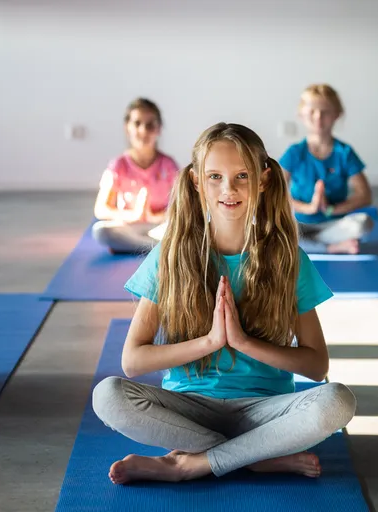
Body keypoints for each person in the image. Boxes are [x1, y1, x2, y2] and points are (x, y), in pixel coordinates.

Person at [92, 122, 356, 484]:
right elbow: (133, 361)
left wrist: (245, 343)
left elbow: (316, 365)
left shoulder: (286, 259)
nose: (228, 189)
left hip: (265, 409)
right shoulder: (170, 256)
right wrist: (211, 342)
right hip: (189, 409)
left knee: (338, 401)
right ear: (198, 182)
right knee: (106, 395)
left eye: (242, 176)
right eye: (215, 176)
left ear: (263, 180)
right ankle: (255, 456)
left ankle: (192, 463)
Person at [280, 84, 374, 254]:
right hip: (300, 224)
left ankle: (311, 245)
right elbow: (274, 192)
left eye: (325, 112)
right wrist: (308, 208)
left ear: (337, 114)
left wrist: (331, 209)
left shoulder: (344, 153)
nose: (318, 117)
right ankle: (332, 247)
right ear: (301, 114)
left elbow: (365, 195)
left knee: (363, 223)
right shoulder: (294, 152)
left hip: (334, 224)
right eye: (312, 111)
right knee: (268, 226)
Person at [92, 98, 179, 253]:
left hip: (158, 226)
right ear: (127, 128)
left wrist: (153, 216)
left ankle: (139, 247)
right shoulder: (118, 166)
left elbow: (182, 207)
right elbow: (101, 209)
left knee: (180, 231)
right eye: (137, 123)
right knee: (100, 231)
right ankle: (154, 248)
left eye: (150, 125)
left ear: (158, 129)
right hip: (128, 226)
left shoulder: (169, 166)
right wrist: (133, 215)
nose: (143, 130)